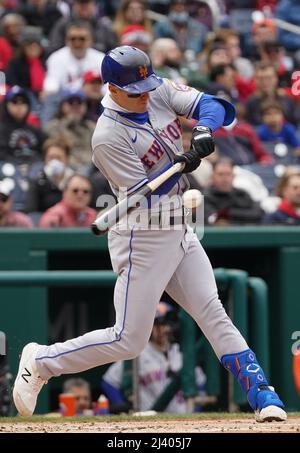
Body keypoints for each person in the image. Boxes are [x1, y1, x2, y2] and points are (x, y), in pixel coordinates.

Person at [13, 45, 287, 423]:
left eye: (146, 88)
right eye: (134, 92)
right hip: (142, 232)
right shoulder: (106, 137)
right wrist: (183, 163)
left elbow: (218, 106)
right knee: (129, 339)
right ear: (111, 88)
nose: (144, 97)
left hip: (178, 224)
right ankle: (43, 361)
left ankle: (263, 395)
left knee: (213, 313)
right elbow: (149, 192)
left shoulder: (154, 89)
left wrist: (203, 130)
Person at [101, 302, 200, 413]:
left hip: (180, 419)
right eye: (159, 324)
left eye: (167, 323)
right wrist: (122, 407)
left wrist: (195, 410)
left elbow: (200, 382)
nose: (165, 329)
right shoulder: (138, 353)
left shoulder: (179, 352)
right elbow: (109, 381)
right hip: (150, 419)